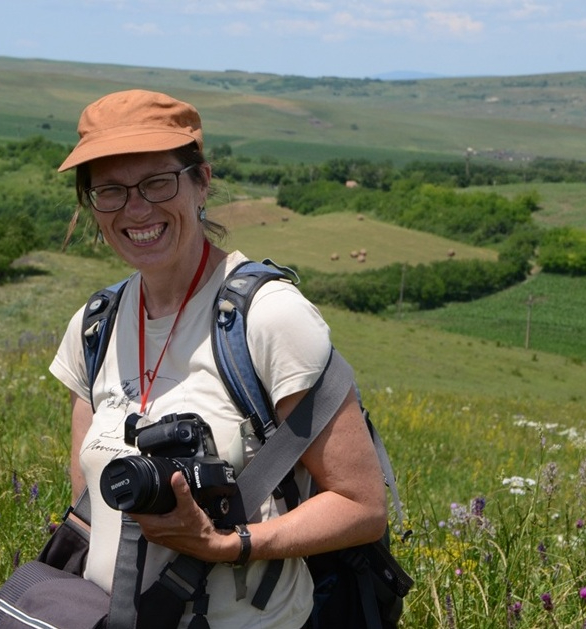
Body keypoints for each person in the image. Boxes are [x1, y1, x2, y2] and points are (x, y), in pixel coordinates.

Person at [49, 89, 388, 629]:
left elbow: (362, 506)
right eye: (110, 191)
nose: (136, 209)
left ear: (201, 182)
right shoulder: (94, 326)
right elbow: (89, 511)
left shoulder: (268, 317)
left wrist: (229, 544)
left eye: (157, 182)